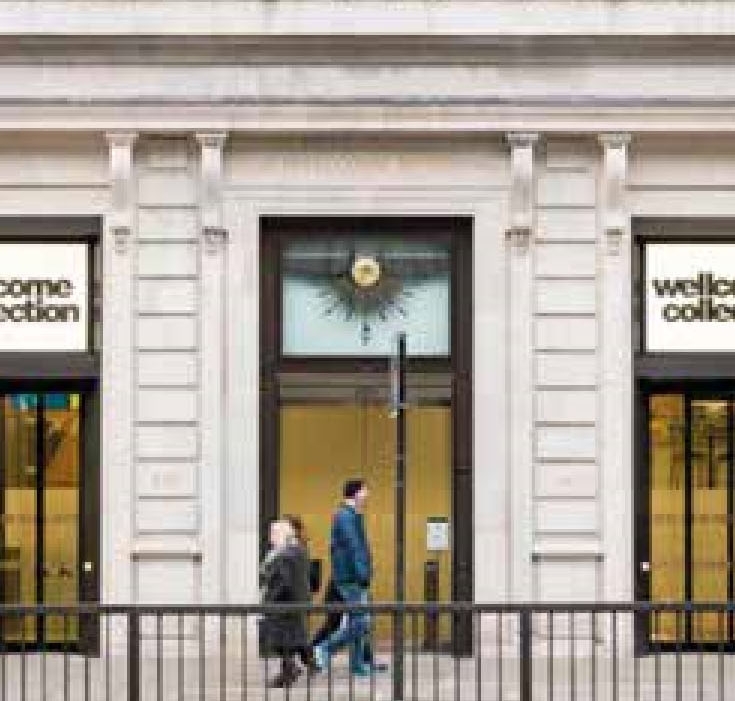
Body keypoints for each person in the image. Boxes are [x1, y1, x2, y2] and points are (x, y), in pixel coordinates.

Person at [312, 478, 383, 676]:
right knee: (361, 622)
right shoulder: (345, 516)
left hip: (353, 576)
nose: (368, 493)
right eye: (365, 490)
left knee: (359, 620)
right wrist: (362, 574)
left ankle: (358, 666)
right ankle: (325, 648)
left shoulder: (353, 515)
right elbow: (355, 548)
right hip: (350, 577)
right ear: (356, 493)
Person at [259, 519, 310, 688]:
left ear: (282, 534)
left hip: (284, 605)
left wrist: (268, 601)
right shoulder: (298, 551)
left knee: (280, 640)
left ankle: (290, 670)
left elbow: (282, 582)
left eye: (273, 533)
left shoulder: (285, 555)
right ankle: (290, 669)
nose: (270, 538)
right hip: (294, 603)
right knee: (287, 641)